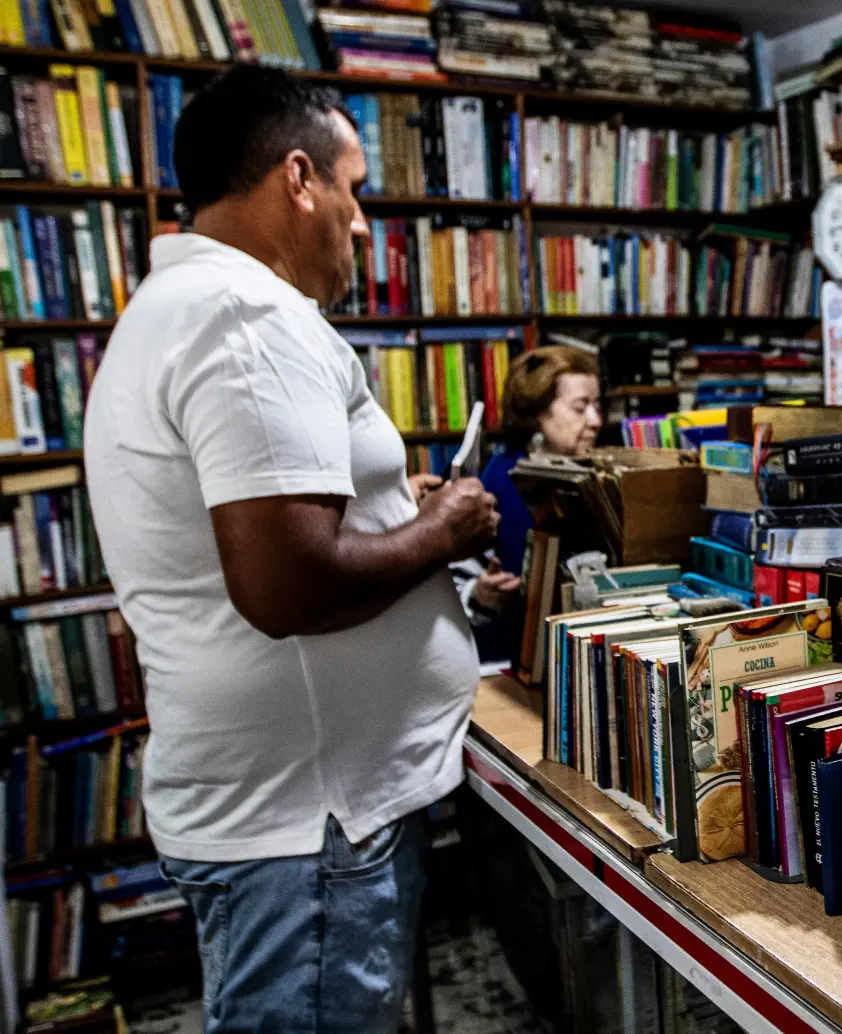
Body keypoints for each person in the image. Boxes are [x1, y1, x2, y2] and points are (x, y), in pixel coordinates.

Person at [83, 66, 499, 1034]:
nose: (362, 225)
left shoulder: (182, 308)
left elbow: (272, 525)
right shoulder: (247, 318)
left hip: (287, 819)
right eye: (354, 192)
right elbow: (284, 581)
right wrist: (437, 531)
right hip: (307, 828)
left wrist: (396, 509)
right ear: (299, 177)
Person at [454, 346, 603, 659]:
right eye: (580, 408)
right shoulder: (493, 484)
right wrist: (481, 593)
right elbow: (456, 590)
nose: (595, 421)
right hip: (505, 665)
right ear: (539, 414)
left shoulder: (592, 477)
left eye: (597, 406)